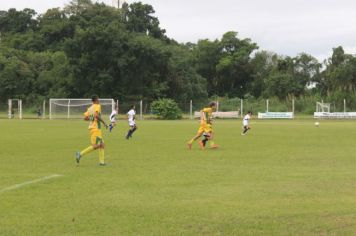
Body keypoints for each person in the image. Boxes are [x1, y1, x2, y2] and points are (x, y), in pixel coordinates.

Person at [76, 95, 108, 166]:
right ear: (96, 100)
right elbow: (96, 115)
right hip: (96, 128)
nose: (99, 100)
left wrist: (92, 118)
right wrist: (104, 122)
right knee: (96, 145)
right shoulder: (97, 106)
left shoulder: (90, 108)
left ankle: (101, 162)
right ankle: (80, 154)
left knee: (102, 144)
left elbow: (85, 118)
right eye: (98, 99)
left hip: (93, 128)